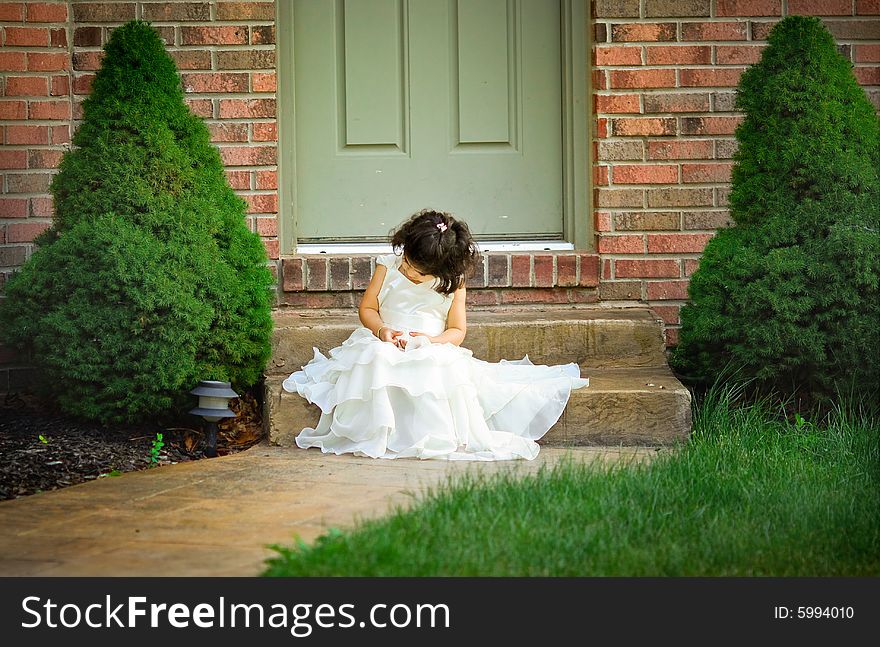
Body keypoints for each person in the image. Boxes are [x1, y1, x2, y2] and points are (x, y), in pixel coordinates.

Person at [282, 209, 590, 461]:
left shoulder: (453, 283)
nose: (409, 272)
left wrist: (430, 341)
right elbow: (368, 309)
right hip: (383, 340)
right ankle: (379, 430)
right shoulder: (387, 267)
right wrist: (381, 330)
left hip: (430, 345)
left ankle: (430, 435)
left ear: (442, 271)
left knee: (435, 367)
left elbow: (456, 331)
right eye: (407, 262)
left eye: (418, 272)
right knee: (375, 358)